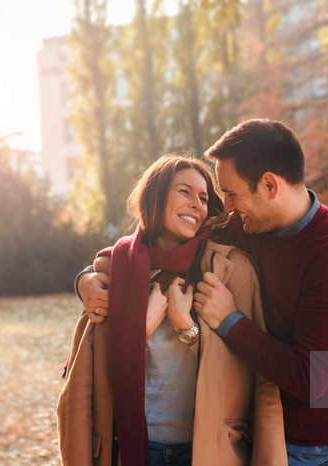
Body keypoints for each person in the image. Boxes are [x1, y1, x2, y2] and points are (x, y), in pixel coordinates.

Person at [77, 119, 328, 466]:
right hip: (253, 433)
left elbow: (312, 380)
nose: (226, 207)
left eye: (231, 194)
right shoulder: (248, 224)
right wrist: (87, 278)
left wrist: (229, 320)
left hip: (319, 448)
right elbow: (156, 247)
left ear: (268, 185)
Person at [58, 155, 287, 466]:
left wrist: (187, 330)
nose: (197, 204)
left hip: (208, 453)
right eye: (184, 192)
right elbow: (80, 387)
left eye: (204, 197)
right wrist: (139, 333)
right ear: (155, 196)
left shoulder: (232, 271)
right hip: (130, 449)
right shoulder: (113, 272)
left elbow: (262, 384)